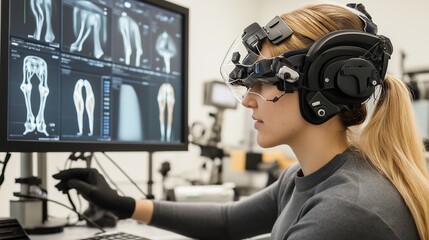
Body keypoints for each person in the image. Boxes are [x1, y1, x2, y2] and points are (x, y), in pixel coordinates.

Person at [53, 3, 429, 240]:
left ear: (323, 86)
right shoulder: (314, 175)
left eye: (264, 83)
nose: (248, 100)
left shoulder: (347, 210)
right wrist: (124, 205)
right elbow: (228, 222)